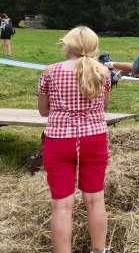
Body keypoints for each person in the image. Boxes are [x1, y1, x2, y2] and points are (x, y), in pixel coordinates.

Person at [38, 26, 112, 253]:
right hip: (94, 138)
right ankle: (99, 251)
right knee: (95, 200)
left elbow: (43, 111)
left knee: (62, 206)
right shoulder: (103, 72)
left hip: (60, 140)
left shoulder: (50, 71)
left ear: (68, 45)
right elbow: (105, 106)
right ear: (92, 47)